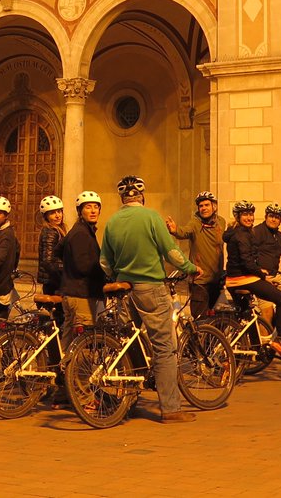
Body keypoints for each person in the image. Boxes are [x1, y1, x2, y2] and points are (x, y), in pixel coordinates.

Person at [99, 175, 198, 424]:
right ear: (141, 196)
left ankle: (127, 400)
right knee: (164, 347)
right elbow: (171, 251)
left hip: (123, 290)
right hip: (151, 288)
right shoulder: (152, 217)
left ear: (122, 198)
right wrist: (190, 268)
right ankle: (171, 409)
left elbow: (104, 262)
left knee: (128, 344)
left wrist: (117, 276)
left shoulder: (112, 222)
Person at [223, 200, 281, 360]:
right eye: (245, 215)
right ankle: (280, 339)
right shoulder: (242, 235)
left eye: (251, 214)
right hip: (243, 279)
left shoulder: (238, 232)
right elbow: (247, 261)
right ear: (237, 217)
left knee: (247, 315)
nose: (249, 218)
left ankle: (255, 351)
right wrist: (262, 275)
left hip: (232, 280)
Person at [165, 191, 226, 318]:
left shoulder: (221, 222)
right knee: (200, 319)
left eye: (206, 205)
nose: (203, 208)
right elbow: (184, 232)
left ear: (214, 206)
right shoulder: (195, 223)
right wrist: (175, 230)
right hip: (200, 280)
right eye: (201, 206)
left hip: (217, 279)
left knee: (218, 320)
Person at [56, 190, 105, 346]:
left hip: (73, 292)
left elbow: (58, 249)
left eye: (96, 207)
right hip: (80, 294)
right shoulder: (81, 233)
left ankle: (63, 361)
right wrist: (105, 274)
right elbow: (84, 266)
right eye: (88, 207)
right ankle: (72, 363)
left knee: (69, 339)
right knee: (82, 342)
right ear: (80, 211)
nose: (93, 211)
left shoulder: (80, 230)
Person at [36, 195, 67, 297]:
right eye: (53, 213)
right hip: (53, 282)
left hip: (53, 279)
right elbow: (48, 261)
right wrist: (61, 281)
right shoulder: (51, 232)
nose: (58, 215)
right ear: (46, 216)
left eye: (59, 211)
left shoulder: (57, 229)